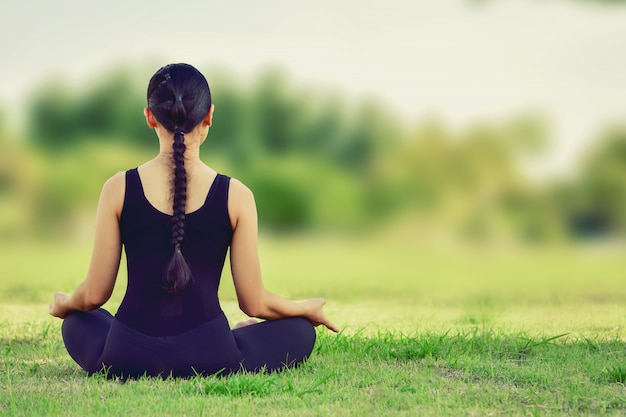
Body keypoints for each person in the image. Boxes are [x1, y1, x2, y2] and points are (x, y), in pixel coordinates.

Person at [49, 63, 338, 379]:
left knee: (78, 320)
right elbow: (255, 304)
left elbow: (93, 295)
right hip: (212, 355)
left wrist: (66, 303)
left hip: (126, 355)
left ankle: (226, 339)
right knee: (301, 332)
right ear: (209, 116)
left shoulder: (118, 188)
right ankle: (240, 337)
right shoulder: (236, 195)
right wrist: (303, 309)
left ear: (149, 117)